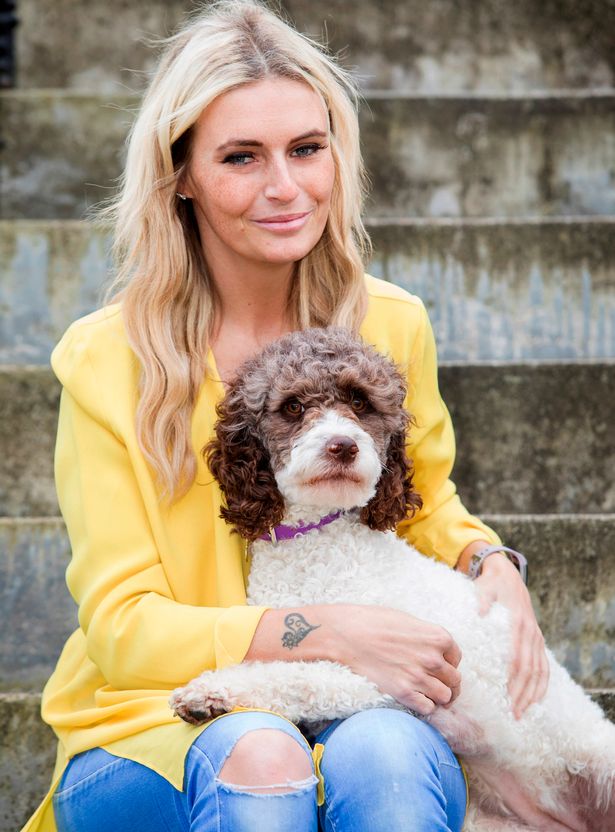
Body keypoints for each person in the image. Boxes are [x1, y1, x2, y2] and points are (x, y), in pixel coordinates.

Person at [22, 2, 549, 831]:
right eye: (241, 157)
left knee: (384, 751)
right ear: (181, 174)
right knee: (262, 749)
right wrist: (323, 630)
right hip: (151, 722)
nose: (285, 187)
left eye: (306, 148)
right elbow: (124, 629)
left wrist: (490, 562)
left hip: (357, 702)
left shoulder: (389, 322)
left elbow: (422, 505)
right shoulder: (108, 357)